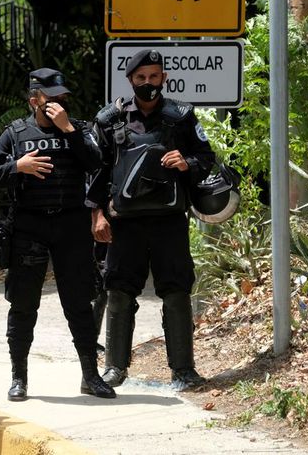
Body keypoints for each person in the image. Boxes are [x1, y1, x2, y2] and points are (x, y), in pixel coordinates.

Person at [0, 68, 116, 401]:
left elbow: (98, 164)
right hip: (29, 227)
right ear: (34, 99)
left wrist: (68, 129)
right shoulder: (15, 134)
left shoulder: (78, 130)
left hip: (71, 227)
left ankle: (90, 376)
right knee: (23, 306)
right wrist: (17, 167)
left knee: (79, 304)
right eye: (51, 98)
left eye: (61, 98)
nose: (57, 104)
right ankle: (19, 377)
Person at [89, 49, 215, 391]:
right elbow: (96, 172)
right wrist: (97, 215)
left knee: (176, 292)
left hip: (169, 222)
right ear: (130, 80)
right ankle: (115, 369)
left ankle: (184, 370)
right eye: (141, 78)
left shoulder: (181, 117)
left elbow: (206, 157)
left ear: (164, 79)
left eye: (154, 77)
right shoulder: (109, 120)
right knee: (118, 292)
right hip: (123, 223)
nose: (148, 83)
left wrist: (186, 160)